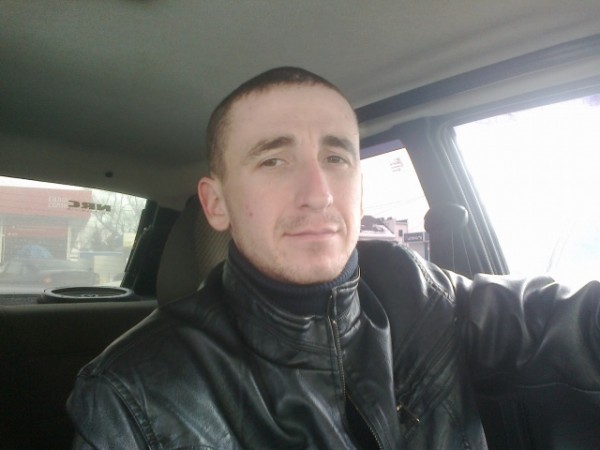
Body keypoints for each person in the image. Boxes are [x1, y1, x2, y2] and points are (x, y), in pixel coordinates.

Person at [67, 67, 600, 449]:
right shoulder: (133, 393)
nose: (318, 193)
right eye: (274, 160)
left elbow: (565, 323)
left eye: (336, 157)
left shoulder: (417, 291)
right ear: (216, 203)